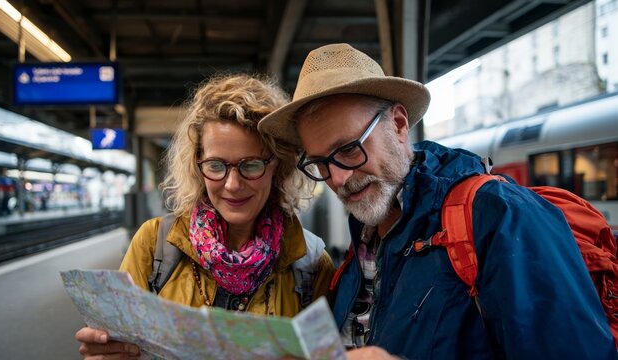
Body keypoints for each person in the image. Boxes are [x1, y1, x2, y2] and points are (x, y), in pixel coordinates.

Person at [258, 43, 617, 359]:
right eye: (320, 163)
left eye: (349, 150)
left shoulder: (498, 215)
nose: (337, 179)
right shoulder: (358, 254)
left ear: (399, 124)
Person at [75, 73, 335, 359]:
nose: (232, 185)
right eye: (216, 165)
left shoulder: (310, 264)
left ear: (278, 165)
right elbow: (116, 345)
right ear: (197, 165)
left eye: (250, 165)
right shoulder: (155, 245)